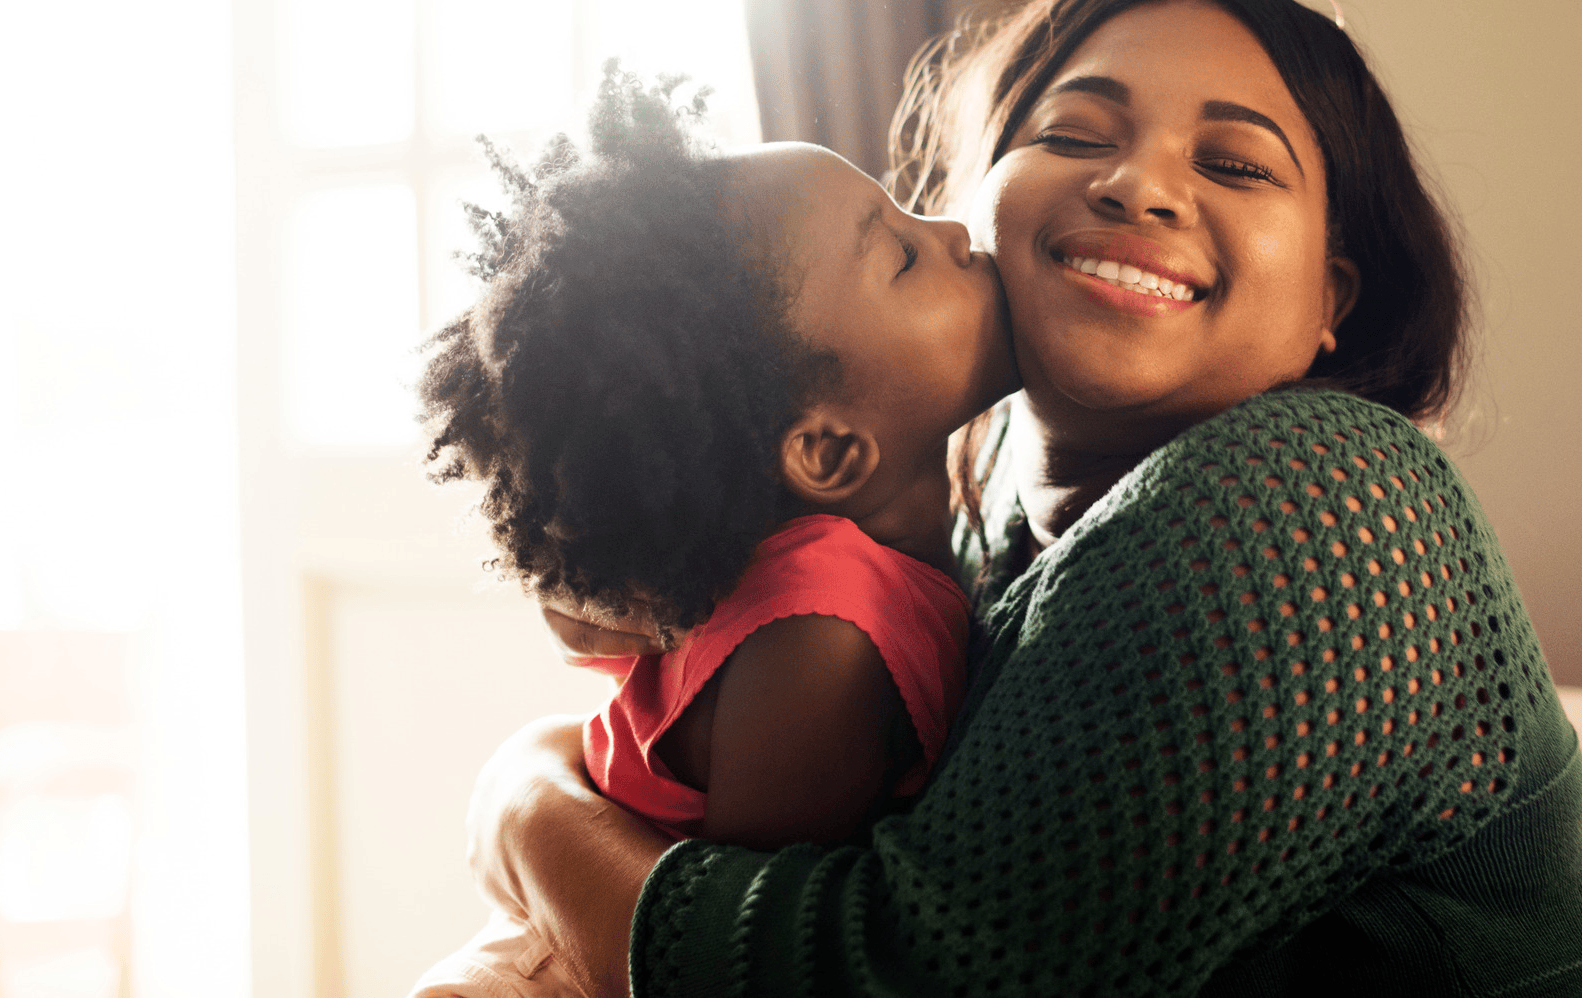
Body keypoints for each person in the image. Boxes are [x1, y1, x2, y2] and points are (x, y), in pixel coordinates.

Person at [465, 2, 1582, 996]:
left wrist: (526, 803)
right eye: (1074, 133)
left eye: (1237, 165)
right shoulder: (974, 511)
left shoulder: (1315, 495)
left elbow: (895, 969)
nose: (1138, 183)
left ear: (1330, 296)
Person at [408, 65, 1017, 997]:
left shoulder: (836, 572)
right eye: (900, 255)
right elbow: (740, 950)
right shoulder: (825, 637)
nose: (953, 231)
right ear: (826, 450)